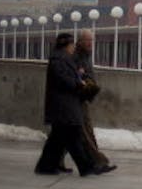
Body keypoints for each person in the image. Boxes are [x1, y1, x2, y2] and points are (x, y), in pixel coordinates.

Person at [34, 33, 104, 177]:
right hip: (63, 106)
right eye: (71, 45)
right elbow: (64, 80)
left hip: (65, 105)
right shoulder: (59, 60)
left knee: (57, 140)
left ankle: (45, 166)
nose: (73, 47)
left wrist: (80, 78)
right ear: (66, 45)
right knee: (73, 138)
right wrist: (80, 83)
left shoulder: (63, 59)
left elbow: (71, 76)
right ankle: (86, 167)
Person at [73, 31, 114, 172]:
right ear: (80, 41)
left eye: (92, 40)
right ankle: (97, 161)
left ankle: (53, 161)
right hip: (77, 98)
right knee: (85, 132)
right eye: (88, 40)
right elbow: (74, 75)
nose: (91, 43)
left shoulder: (85, 55)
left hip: (83, 97)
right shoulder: (76, 56)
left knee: (65, 134)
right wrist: (83, 78)